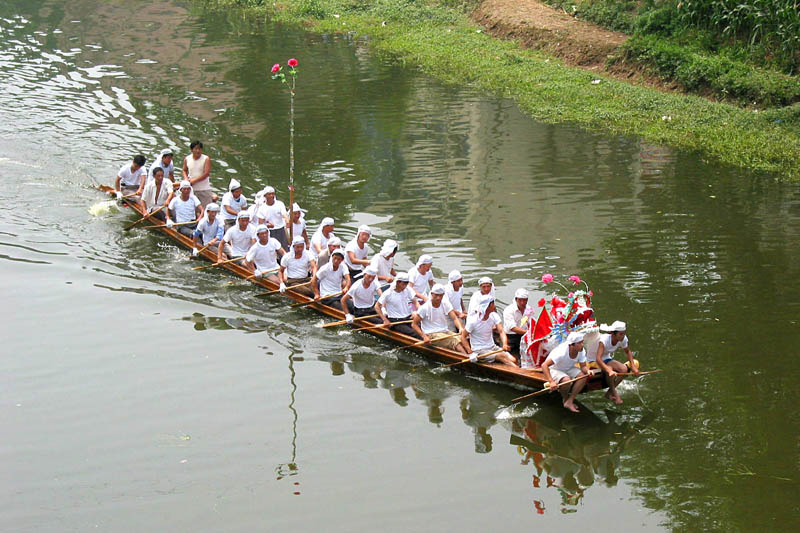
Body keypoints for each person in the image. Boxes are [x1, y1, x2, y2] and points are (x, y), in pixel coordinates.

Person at [411, 283, 469, 353]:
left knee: (462, 339)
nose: (438, 298)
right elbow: (414, 324)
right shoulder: (424, 308)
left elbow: (454, 318)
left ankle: (470, 354)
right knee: (454, 341)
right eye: (436, 295)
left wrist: (460, 328)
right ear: (432, 294)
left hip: (444, 331)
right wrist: (424, 337)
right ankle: (466, 357)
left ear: (443, 295)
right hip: (431, 334)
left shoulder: (445, 304)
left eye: (440, 295)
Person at [462, 294, 517, 367]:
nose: (494, 306)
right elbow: (462, 336)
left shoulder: (494, 315)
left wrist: (505, 344)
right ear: (488, 306)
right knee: (501, 356)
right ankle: (518, 370)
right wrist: (470, 352)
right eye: (493, 304)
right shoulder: (473, 321)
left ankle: (514, 367)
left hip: (492, 347)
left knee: (513, 359)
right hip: (479, 351)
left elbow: (501, 331)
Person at [591, 321, 639, 404]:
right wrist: (609, 370)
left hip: (606, 358)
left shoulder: (623, 339)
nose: (623, 336)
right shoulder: (604, 340)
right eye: (621, 334)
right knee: (609, 368)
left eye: (624, 333)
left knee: (624, 369)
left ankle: (609, 392)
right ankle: (614, 393)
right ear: (613, 334)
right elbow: (598, 358)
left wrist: (633, 367)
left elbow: (628, 352)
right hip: (593, 360)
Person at [541, 331, 590, 413]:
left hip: (568, 368)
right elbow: (544, 365)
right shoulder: (561, 352)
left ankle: (570, 400)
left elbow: (583, 367)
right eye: (579, 343)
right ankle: (565, 399)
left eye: (582, 342)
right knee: (566, 380)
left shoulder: (581, 350)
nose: (582, 345)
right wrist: (551, 381)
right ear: (572, 345)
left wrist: (588, 371)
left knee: (583, 376)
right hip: (554, 369)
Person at [374, 272, 419, 338]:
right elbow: (377, 306)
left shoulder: (408, 289)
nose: (405, 286)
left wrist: (418, 313)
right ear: (397, 282)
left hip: (408, 318)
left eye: (407, 283)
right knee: (414, 334)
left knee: (422, 329)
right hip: (396, 321)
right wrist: (385, 320)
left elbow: (416, 302)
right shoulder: (388, 293)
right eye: (404, 284)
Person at [256, 186, 290, 251]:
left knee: (283, 247)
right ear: (265, 196)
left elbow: (284, 214)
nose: (271, 196)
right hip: (269, 231)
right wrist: (267, 225)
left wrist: (287, 220)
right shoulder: (262, 208)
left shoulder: (280, 204)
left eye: (273, 194)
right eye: (269, 194)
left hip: (280, 230)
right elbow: (260, 224)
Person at [182, 140, 213, 206]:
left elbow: (206, 173)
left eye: (199, 149)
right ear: (191, 150)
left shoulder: (206, 159)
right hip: (191, 190)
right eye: (196, 149)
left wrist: (194, 181)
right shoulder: (187, 158)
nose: (198, 151)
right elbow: (184, 170)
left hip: (204, 189)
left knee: (205, 210)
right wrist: (186, 179)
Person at [503, 288, 530, 354]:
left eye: (524, 300)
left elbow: (530, 323)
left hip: (525, 336)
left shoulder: (529, 309)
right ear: (516, 299)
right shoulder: (509, 310)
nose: (522, 303)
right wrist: (528, 332)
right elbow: (513, 328)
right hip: (511, 337)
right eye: (520, 300)